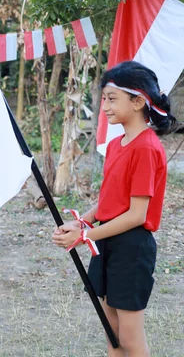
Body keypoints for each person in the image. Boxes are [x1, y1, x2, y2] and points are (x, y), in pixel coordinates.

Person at [52, 61, 180, 357]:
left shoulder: (147, 148)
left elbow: (137, 214)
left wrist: (86, 237)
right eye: (104, 99)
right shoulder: (116, 145)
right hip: (106, 241)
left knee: (131, 339)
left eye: (112, 99)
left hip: (132, 247)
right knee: (112, 333)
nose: (105, 106)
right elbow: (110, 201)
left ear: (138, 102)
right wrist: (81, 223)